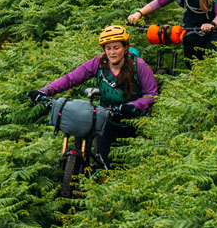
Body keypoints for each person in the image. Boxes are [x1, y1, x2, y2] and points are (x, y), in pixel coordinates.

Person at [27, 25, 158, 168]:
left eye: (116, 48)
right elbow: (71, 79)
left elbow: (151, 95)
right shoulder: (98, 63)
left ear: (125, 48)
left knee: (130, 166)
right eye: (108, 48)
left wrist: (133, 106)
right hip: (107, 119)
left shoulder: (139, 66)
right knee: (104, 164)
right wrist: (45, 91)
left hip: (135, 123)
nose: (112, 52)